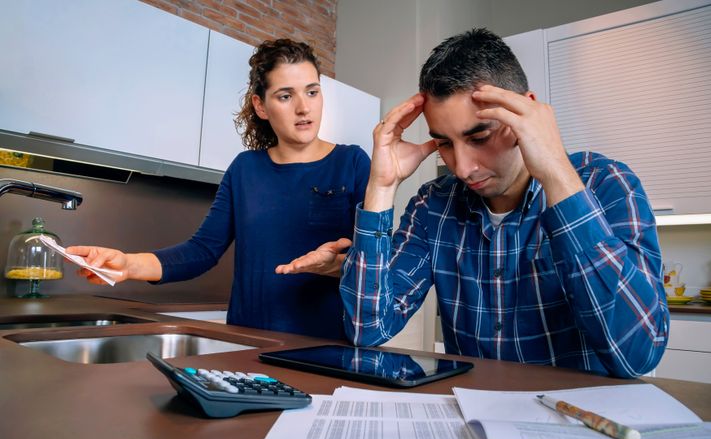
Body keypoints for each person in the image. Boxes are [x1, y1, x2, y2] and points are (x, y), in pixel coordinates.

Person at [289, 28, 669, 378]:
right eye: (444, 144)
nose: (464, 168)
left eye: (480, 136)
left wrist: (555, 173)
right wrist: (381, 187)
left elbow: (637, 354)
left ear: (528, 113)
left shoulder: (606, 183)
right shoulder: (432, 206)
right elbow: (367, 329)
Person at [67, 39, 370, 340]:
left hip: (326, 349)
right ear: (261, 106)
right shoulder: (244, 169)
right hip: (249, 347)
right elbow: (202, 251)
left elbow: (376, 267)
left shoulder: (352, 163)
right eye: (285, 96)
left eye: (312, 92)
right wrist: (128, 264)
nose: (304, 107)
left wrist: (338, 266)